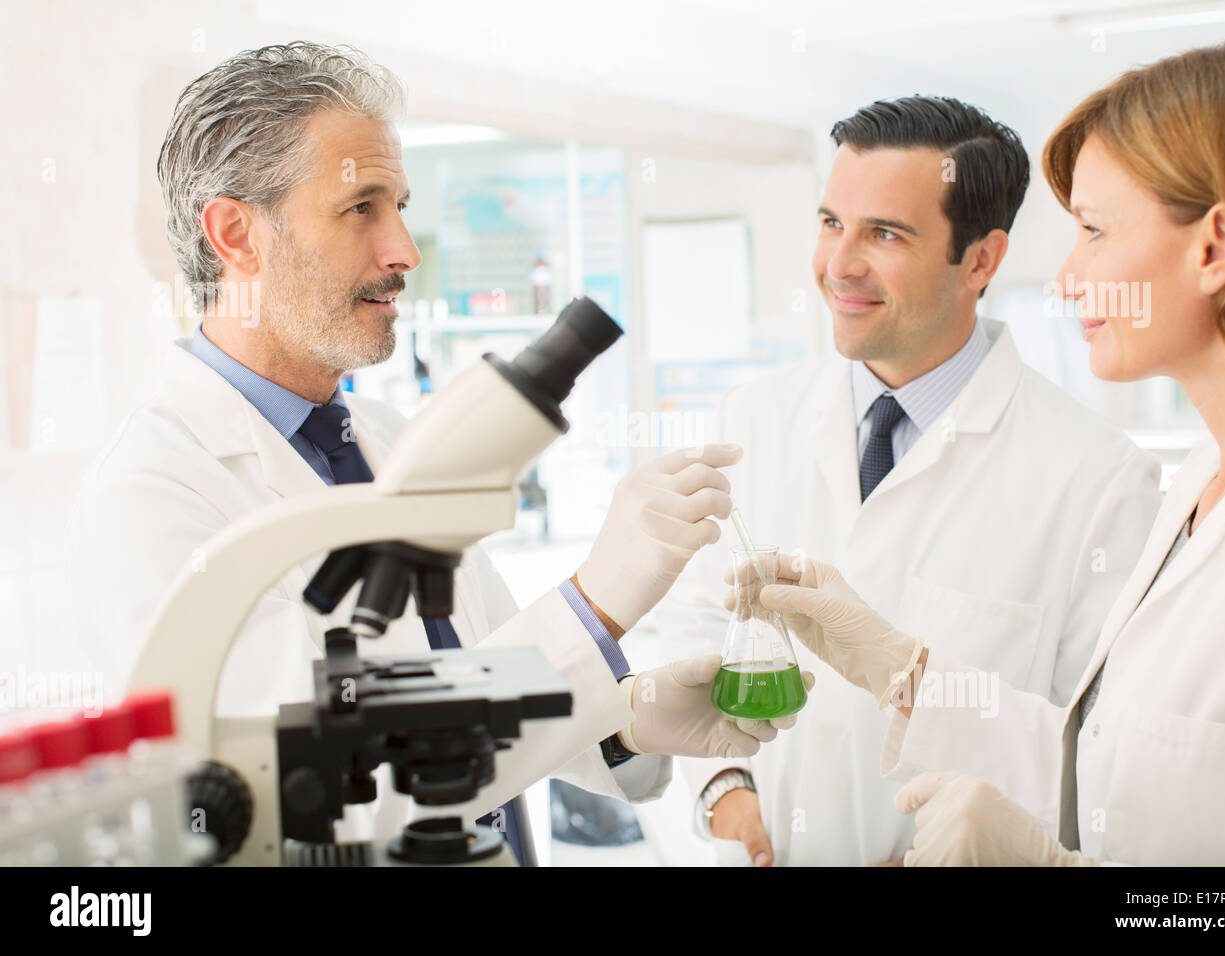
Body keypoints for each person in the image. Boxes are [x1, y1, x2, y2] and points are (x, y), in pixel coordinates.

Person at [66, 41, 806, 866]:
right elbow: (322, 785)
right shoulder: (150, 493)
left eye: (402, 207)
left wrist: (628, 716)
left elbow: (480, 682)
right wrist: (594, 606)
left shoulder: (380, 438)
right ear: (237, 235)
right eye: (362, 208)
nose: (405, 251)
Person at [759, 39, 1225, 866]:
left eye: (1092, 231)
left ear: (1215, 247)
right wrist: (901, 669)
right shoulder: (1207, 489)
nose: (1067, 278)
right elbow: (1113, 771)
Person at [639, 96, 1161, 865]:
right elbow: (684, 628)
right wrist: (725, 789)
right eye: (830, 223)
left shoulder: (1101, 480)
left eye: (884, 233)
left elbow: (1107, 760)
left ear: (980, 260)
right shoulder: (755, 417)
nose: (839, 264)